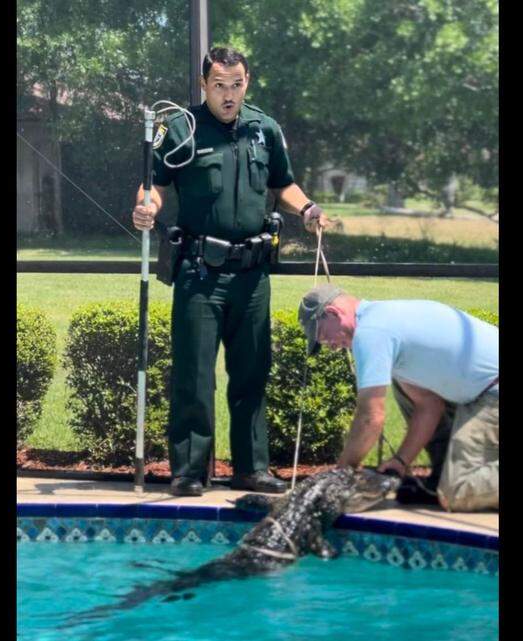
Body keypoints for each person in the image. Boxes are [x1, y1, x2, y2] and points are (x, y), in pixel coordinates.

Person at [132, 46, 330, 497]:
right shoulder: (181, 128)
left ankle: (252, 468)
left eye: (236, 84)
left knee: (252, 372)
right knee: (194, 374)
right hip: (200, 272)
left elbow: (283, 184)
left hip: (253, 274)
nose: (228, 94)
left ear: (247, 82)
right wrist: (146, 207)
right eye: (219, 85)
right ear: (204, 84)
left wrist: (309, 208)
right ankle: (188, 471)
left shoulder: (265, 129)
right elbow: (155, 183)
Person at [297, 284, 499, 512]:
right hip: (480, 389)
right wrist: (400, 462)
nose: (331, 347)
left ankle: (450, 480)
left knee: (456, 492)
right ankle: (444, 472)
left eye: (324, 337)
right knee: (404, 390)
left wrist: (341, 474)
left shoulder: (370, 333)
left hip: (492, 390)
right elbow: (428, 405)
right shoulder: (384, 319)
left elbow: (370, 417)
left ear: (334, 313)